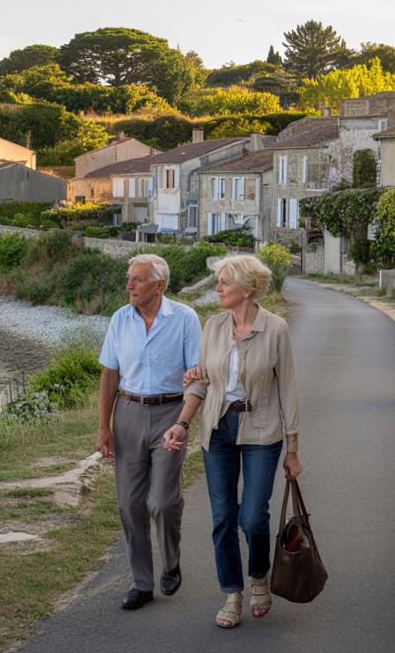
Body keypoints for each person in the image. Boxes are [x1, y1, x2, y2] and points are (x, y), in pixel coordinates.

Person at [164, 254, 301, 629]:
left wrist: (292, 449)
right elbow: (202, 380)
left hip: (262, 429)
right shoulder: (213, 326)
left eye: (224, 282)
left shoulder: (276, 328)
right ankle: (232, 592)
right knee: (223, 517)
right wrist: (182, 422)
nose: (218, 287)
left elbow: (287, 389)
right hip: (218, 429)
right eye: (218, 281)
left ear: (249, 288)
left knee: (253, 517)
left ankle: (259, 576)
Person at [96, 253, 201, 611]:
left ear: (160, 285)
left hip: (170, 413)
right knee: (129, 504)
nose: (129, 286)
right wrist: (103, 428)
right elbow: (109, 375)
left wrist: (184, 421)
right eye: (129, 278)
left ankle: (171, 563)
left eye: (137, 280)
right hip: (127, 412)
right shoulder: (119, 320)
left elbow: (196, 374)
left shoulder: (185, 318)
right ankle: (141, 583)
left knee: (163, 501)